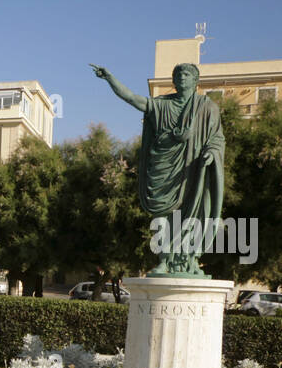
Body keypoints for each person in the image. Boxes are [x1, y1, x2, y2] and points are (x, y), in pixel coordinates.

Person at [91, 61, 224, 276]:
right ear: (173, 80)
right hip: (163, 169)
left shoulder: (207, 107)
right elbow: (132, 98)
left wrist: (211, 152)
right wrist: (110, 79)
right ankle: (164, 260)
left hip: (193, 171)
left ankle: (188, 260)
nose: (182, 77)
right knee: (161, 218)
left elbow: (217, 137)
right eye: (178, 74)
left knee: (191, 216)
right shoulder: (161, 104)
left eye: (188, 74)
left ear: (196, 80)